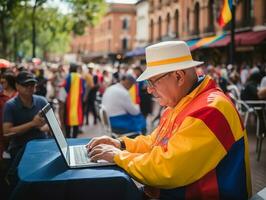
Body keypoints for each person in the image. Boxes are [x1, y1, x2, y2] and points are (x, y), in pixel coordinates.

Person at [86, 41, 251, 199]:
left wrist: (119, 156)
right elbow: (154, 142)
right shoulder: (179, 103)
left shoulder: (210, 110)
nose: (149, 89)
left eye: (152, 82)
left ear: (179, 76)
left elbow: (167, 168)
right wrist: (120, 144)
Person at [2, 71, 48, 159]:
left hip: (42, 145)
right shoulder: (10, 105)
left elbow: (55, 124)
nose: (30, 87)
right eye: (25, 85)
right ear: (17, 86)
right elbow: (7, 132)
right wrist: (32, 124)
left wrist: (43, 127)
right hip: (20, 148)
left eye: (32, 84)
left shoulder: (42, 101)